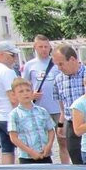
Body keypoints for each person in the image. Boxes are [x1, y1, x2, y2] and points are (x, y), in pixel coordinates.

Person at [22, 35, 68, 163]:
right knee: (42, 142)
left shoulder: (56, 62)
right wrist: (31, 95)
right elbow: (23, 86)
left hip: (58, 109)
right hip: (40, 110)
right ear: (35, 47)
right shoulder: (29, 65)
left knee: (63, 140)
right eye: (40, 47)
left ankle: (66, 168)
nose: (43, 49)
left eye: (46, 46)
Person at [51, 44, 86, 165]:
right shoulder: (58, 79)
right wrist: (61, 125)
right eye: (57, 65)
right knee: (76, 159)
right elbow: (63, 107)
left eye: (61, 64)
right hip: (72, 125)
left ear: (72, 59)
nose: (59, 68)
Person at [7, 77, 55, 164]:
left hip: (44, 154)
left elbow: (51, 130)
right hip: (27, 157)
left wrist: (49, 145)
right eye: (21, 91)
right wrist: (30, 151)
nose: (25, 94)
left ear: (32, 92)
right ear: (14, 94)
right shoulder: (14, 114)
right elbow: (13, 137)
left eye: (27, 90)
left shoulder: (42, 111)